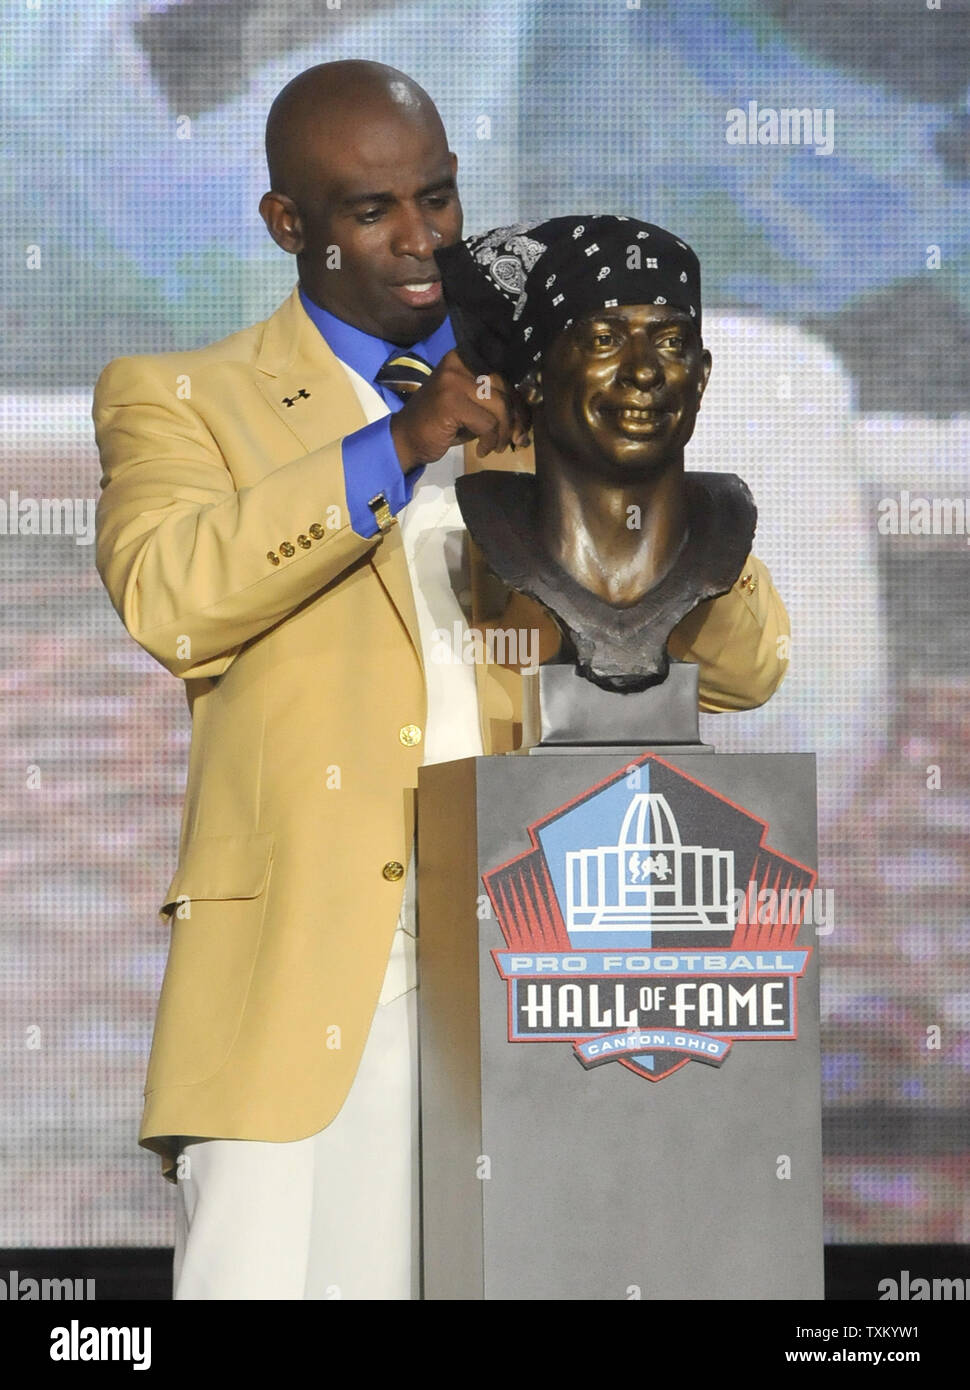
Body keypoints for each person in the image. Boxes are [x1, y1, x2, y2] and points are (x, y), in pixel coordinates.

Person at [93, 65, 786, 1301]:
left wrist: (630, 467)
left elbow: (750, 665)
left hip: (539, 972)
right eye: (372, 210)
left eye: (440, 197)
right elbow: (172, 596)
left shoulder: (555, 391)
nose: (421, 240)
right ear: (287, 224)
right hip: (302, 978)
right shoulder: (183, 399)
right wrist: (400, 444)